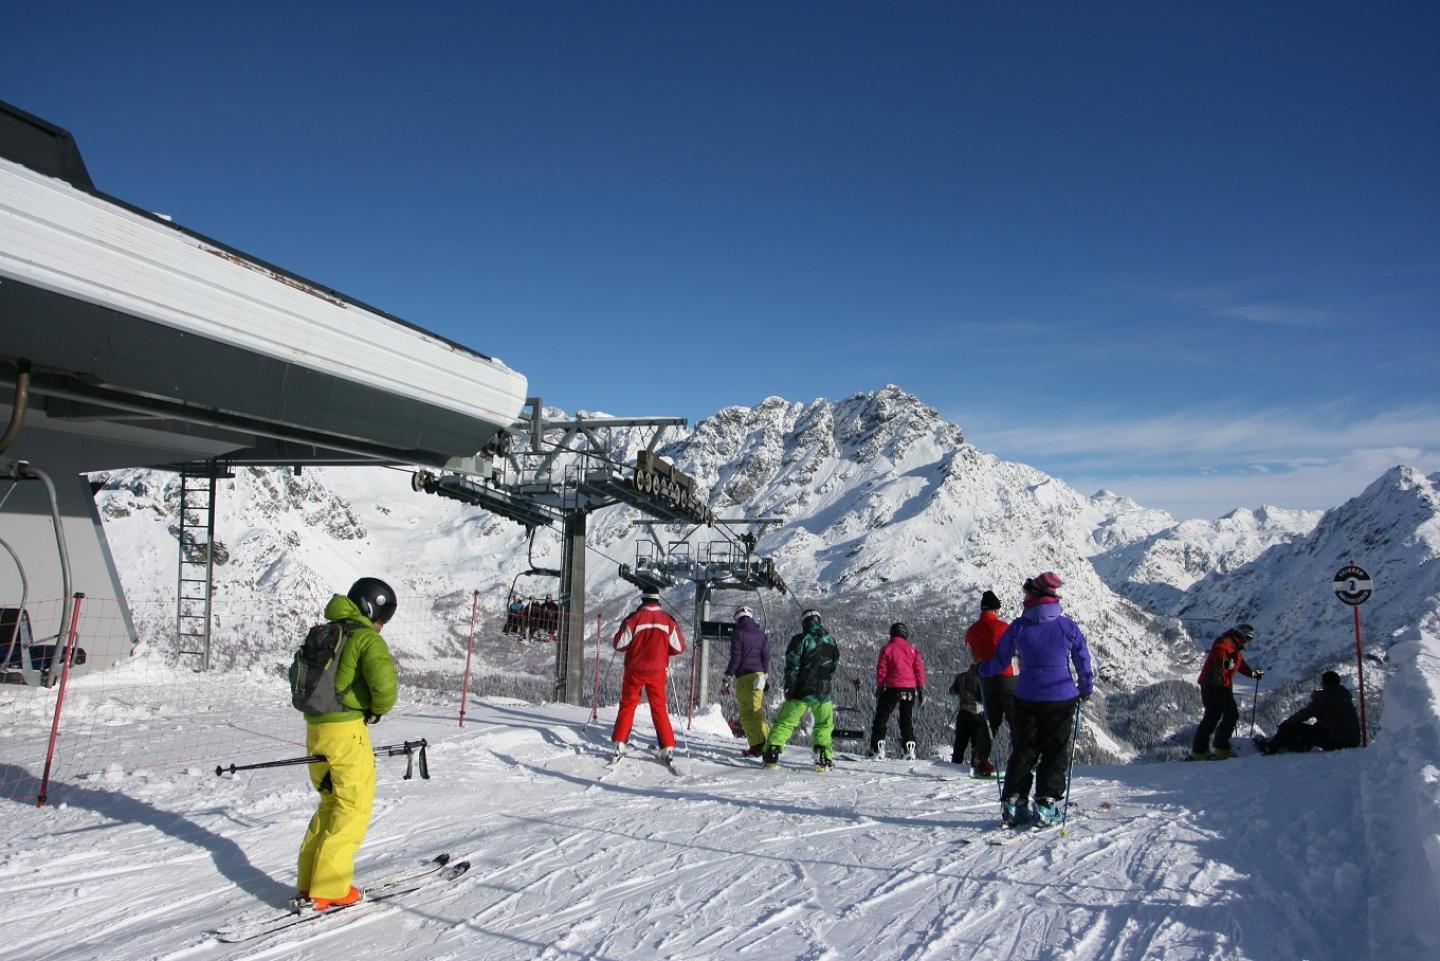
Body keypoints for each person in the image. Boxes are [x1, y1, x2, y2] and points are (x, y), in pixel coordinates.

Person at [297, 576, 399, 910]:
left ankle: (309, 881)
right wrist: (376, 710)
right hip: (346, 733)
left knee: (329, 804)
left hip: (316, 731)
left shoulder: (330, 632)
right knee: (352, 807)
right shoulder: (366, 638)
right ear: (372, 608)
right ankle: (330, 888)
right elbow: (384, 689)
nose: (382, 625)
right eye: (383, 618)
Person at [980, 571, 1094, 827]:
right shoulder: (1067, 627)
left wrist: (982, 670)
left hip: (1026, 696)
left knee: (1024, 749)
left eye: (1027, 591)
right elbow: (1082, 661)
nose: (1023, 596)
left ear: (1035, 595)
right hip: (1062, 697)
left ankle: (1014, 801)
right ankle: (1045, 803)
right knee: (1055, 750)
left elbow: (1000, 660)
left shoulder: (1018, 627)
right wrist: (1085, 688)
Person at [610, 591, 686, 761]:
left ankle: (620, 742)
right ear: (658, 601)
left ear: (643, 600)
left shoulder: (634, 618)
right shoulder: (668, 620)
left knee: (628, 704)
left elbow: (619, 644)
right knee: (659, 707)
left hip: (634, 670)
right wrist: (666, 650)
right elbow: (679, 647)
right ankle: (667, 746)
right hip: (657, 671)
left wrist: (625, 626)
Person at [763, 609, 840, 771]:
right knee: (824, 725)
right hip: (823, 693)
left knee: (786, 722)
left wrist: (790, 686)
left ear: (804, 623)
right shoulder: (830, 640)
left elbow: (792, 666)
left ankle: (772, 751)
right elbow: (832, 665)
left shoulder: (800, 639)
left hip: (801, 691)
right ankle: (823, 755)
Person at [1191, 623, 1264, 760]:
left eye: (1250, 639)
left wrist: (1252, 674)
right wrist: (1225, 661)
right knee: (1231, 714)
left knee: (1212, 716)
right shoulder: (1227, 641)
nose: (1248, 641)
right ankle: (1221, 747)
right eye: (1247, 637)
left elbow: (1239, 663)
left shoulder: (1234, 646)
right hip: (1216, 684)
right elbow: (1219, 650)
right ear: (1240, 634)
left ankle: (1199, 752)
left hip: (1211, 683)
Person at [1255, 671, 1361, 754]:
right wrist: (1319, 696)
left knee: (1294, 726)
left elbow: (1306, 713)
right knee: (1317, 727)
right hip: (1352, 741)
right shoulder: (1342, 694)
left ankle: (1271, 747)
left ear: (1325, 684)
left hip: (1338, 742)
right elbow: (1329, 712)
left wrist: (1286, 723)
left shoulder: (1325, 698)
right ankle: (1300, 745)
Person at [965, 589, 1012, 773]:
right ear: (996, 609)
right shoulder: (1002, 627)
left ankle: (980, 759)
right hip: (1007, 677)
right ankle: (1020, 759)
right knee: (1015, 718)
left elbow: (971, 655)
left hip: (985, 679)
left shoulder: (972, 630)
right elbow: (1013, 650)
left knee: (990, 719)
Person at [869, 622, 926, 760]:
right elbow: (919, 670)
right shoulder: (912, 650)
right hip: (909, 689)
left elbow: (882, 670)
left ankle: (877, 748)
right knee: (906, 718)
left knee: (882, 717)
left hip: (892, 687)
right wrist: (920, 689)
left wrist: (880, 687)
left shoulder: (887, 648)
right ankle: (909, 748)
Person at [722, 605, 771, 758]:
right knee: (757, 711)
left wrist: (727, 676)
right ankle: (770, 743)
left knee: (746, 713)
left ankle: (758, 745)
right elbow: (765, 657)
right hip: (758, 676)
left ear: (737, 618)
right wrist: (765, 674)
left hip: (744, 677)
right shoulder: (761, 634)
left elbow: (736, 658)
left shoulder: (738, 633)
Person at [948, 661, 994, 775]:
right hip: (976, 715)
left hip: (962, 713)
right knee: (976, 744)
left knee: (960, 743)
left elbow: (952, 691)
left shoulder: (961, 677)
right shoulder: (981, 680)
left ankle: (954, 766)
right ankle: (975, 768)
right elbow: (983, 698)